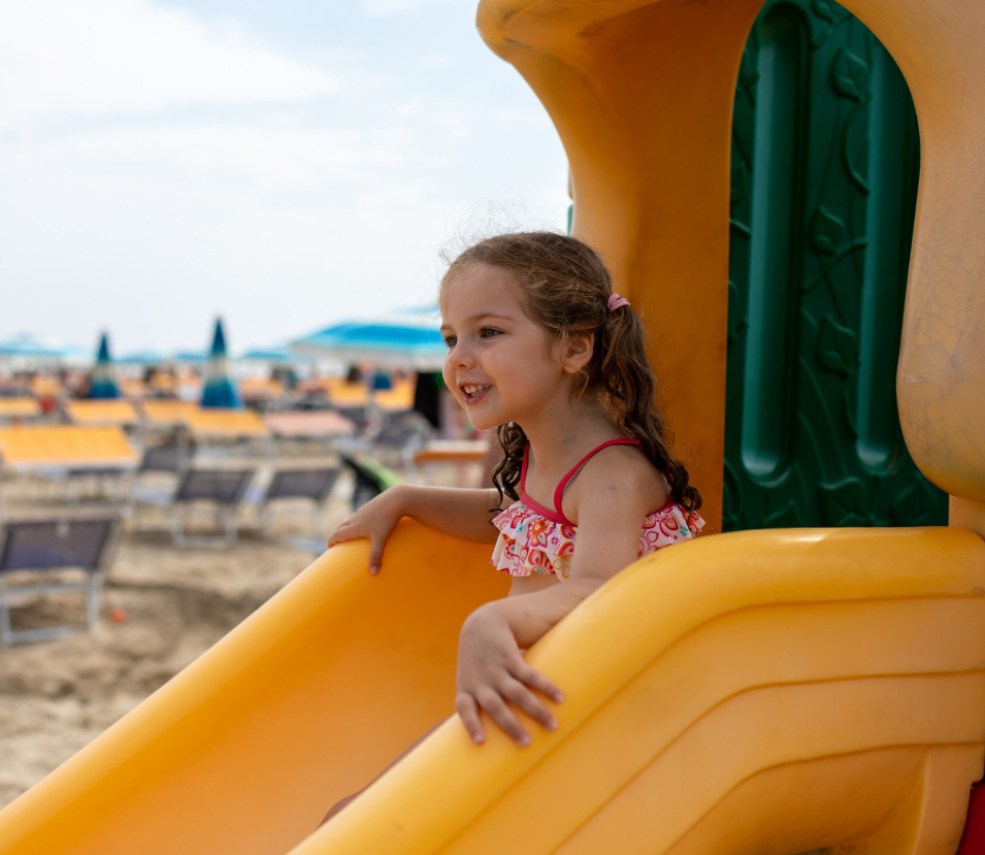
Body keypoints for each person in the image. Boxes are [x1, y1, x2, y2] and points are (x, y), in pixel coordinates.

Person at [327, 230, 703, 774]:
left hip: (594, 719)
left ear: (574, 347)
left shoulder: (611, 474)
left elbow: (599, 587)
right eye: (451, 338)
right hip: (544, 691)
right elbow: (516, 523)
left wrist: (492, 620)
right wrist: (408, 497)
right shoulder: (543, 452)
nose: (459, 359)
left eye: (488, 333)